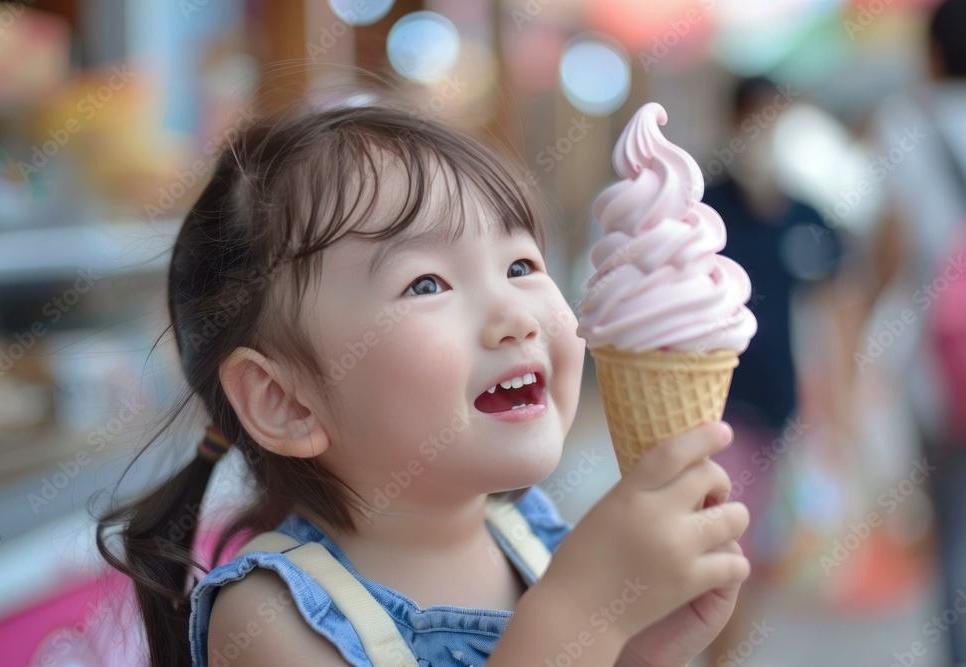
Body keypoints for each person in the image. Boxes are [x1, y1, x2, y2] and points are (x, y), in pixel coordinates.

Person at [95, 100, 750, 667]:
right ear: (285, 400)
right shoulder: (270, 616)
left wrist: (638, 648)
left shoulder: (526, 532)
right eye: (426, 284)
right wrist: (584, 613)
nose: (515, 317)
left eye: (521, 263)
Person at [700, 77, 846, 666]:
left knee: (759, 555)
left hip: (782, 406)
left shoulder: (807, 216)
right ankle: (718, 653)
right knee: (724, 553)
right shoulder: (706, 212)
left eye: (776, 121)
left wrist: (840, 409)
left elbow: (837, 309)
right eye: (757, 121)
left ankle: (727, 652)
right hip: (718, 411)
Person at [867, 1, 966, 664]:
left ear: (930, 52)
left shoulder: (904, 123)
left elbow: (890, 253)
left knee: (952, 524)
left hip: (941, 364)